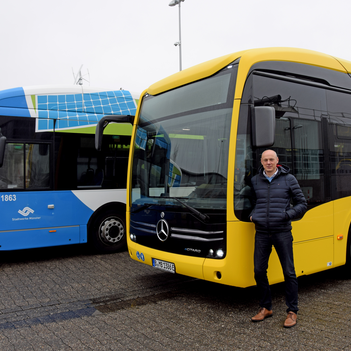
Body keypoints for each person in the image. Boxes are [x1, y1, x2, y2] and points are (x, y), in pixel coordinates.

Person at [249, 149, 307, 328]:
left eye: (271, 159)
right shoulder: (255, 180)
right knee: (259, 271)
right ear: (261, 161)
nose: (268, 162)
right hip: (262, 233)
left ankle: (292, 311)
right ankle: (266, 307)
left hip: (282, 232)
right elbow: (253, 202)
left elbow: (302, 204)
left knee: (289, 272)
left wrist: (286, 215)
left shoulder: (289, 179)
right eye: (265, 160)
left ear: (277, 161)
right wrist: (253, 215)